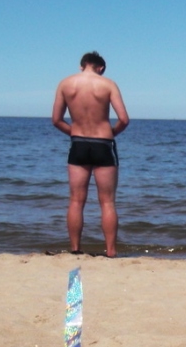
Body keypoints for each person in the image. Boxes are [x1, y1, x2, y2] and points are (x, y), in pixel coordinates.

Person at [52, 51, 129, 257]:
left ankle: (75, 249)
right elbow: (124, 119)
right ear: (101, 68)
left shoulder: (65, 84)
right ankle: (111, 251)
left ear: (82, 65)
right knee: (107, 201)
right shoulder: (108, 84)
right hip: (103, 143)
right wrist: (110, 134)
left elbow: (57, 119)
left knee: (76, 200)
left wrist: (75, 133)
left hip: (78, 143)